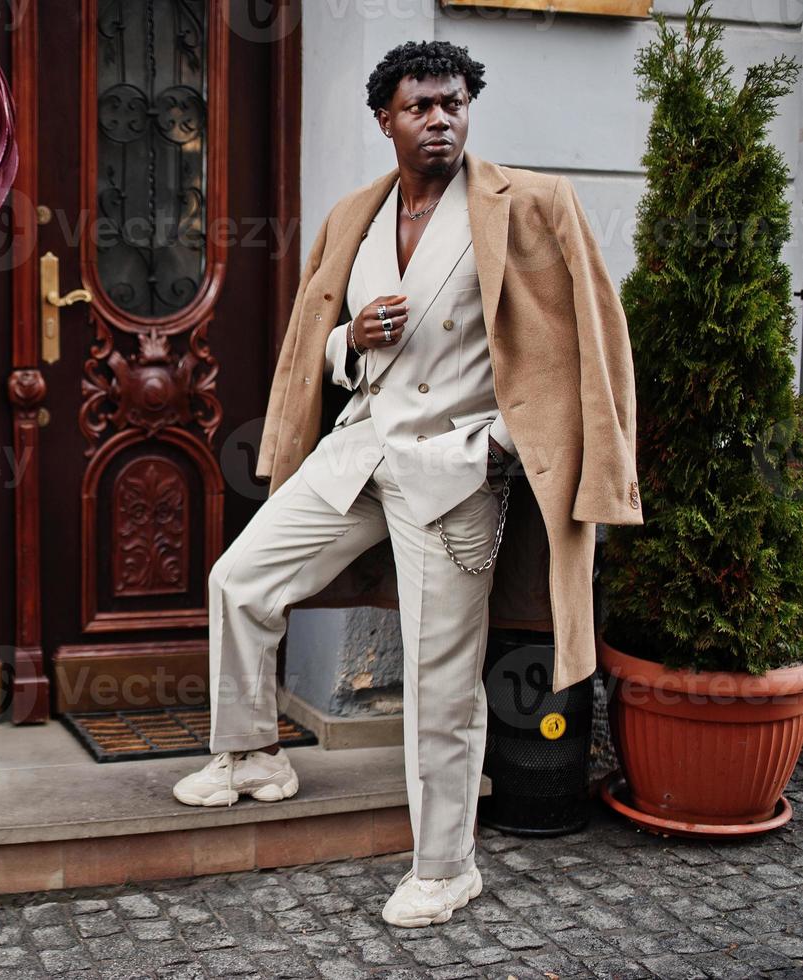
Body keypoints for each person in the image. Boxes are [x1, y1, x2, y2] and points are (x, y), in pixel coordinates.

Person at [172, 40, 642, 929]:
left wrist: (500, 448)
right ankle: (250, 756)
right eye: (419, 105)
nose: (439, 118)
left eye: (453, 102)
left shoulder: (532, 203)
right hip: (360, 450)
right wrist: (354, 338)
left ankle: (445, 865)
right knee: (238, 582)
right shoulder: (355, 212)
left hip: (457, 472)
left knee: (439, 680)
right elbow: (320, 344)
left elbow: (590, 343)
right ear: (383, 117)